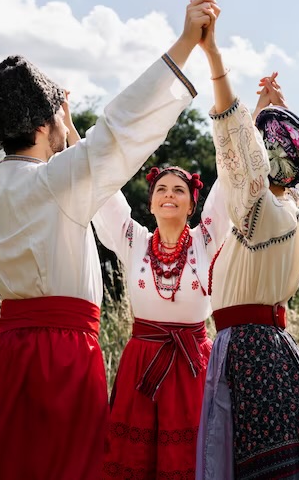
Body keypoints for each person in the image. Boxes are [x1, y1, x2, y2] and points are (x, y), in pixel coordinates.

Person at [0, 0, 218, 480]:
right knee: (71, 468)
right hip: (60, 356)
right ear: (45, 126)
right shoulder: (54, 182)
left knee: (8, 464)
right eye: (59, 120)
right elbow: (119, 131)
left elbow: (19, 155)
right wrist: (187, 43)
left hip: (7, 351)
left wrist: (41, 113)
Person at [195, 9, 299, 479]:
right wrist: (273, 111)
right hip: (280, 352)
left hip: (247, 356)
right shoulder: (291, 212)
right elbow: (274, 165)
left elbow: (233, 140)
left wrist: (215, 58)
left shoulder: (255, 210)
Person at [91, 163, 229, 480]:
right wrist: (72, 135)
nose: (169, 195)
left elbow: (227, 186)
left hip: (192, 363)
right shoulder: (134, 240)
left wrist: (240, 126)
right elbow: (105, 192)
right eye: (161, 190)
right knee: (135, 457)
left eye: (179, 190)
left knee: (189, 456)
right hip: (141, 365)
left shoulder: (205, 239)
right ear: (151, 202)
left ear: (193, 204)